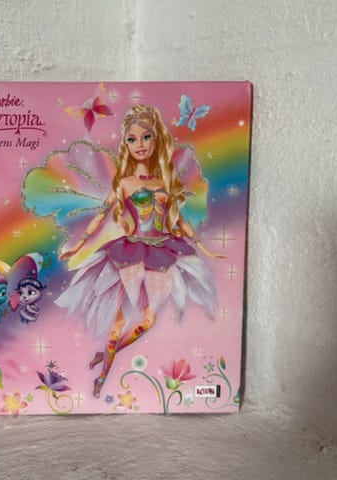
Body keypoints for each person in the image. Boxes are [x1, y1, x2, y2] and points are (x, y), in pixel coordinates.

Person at [57, 105, 223, 398]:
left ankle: (105, 355)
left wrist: (201, 248)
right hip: (130, 252)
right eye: (132, 140)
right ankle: (103, 375)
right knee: (119, 320)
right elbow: (101, 216)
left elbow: (179, 221)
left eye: (146, 137)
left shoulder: (164, 182)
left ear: (156, 139)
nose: (140, 145)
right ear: (126, 145)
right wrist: (78, 245)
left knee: (148, 321)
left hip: (161, 251)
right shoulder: (124, 184)